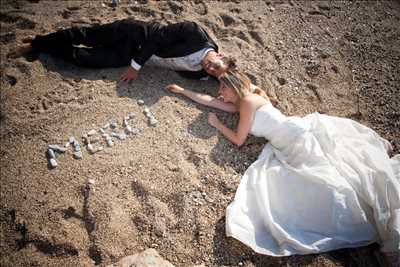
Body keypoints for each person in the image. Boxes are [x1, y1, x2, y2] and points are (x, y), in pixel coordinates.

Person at [165, 70, 400, 265]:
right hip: (292, 133)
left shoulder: (246, 103)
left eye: (222, 89)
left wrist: (217, 125)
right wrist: (183, 91)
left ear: (234, 87)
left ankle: (379, 228)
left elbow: (238, 140)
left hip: (294, 142)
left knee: (329, 181)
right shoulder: (247, 97)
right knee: (338, 169)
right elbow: (212, 102)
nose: (219, 94)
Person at [8, 19, 235, 82]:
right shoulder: (195, 32)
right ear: (220, 54)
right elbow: (156, 37)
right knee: (86, 36)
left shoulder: (209, 72)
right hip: (133, 34)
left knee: (85, 59)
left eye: (213, 71)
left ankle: (48, 47)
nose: (209, 67)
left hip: (128, 56)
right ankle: (36, 43)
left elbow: (231, 82)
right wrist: (136, 67)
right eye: (214, 64)